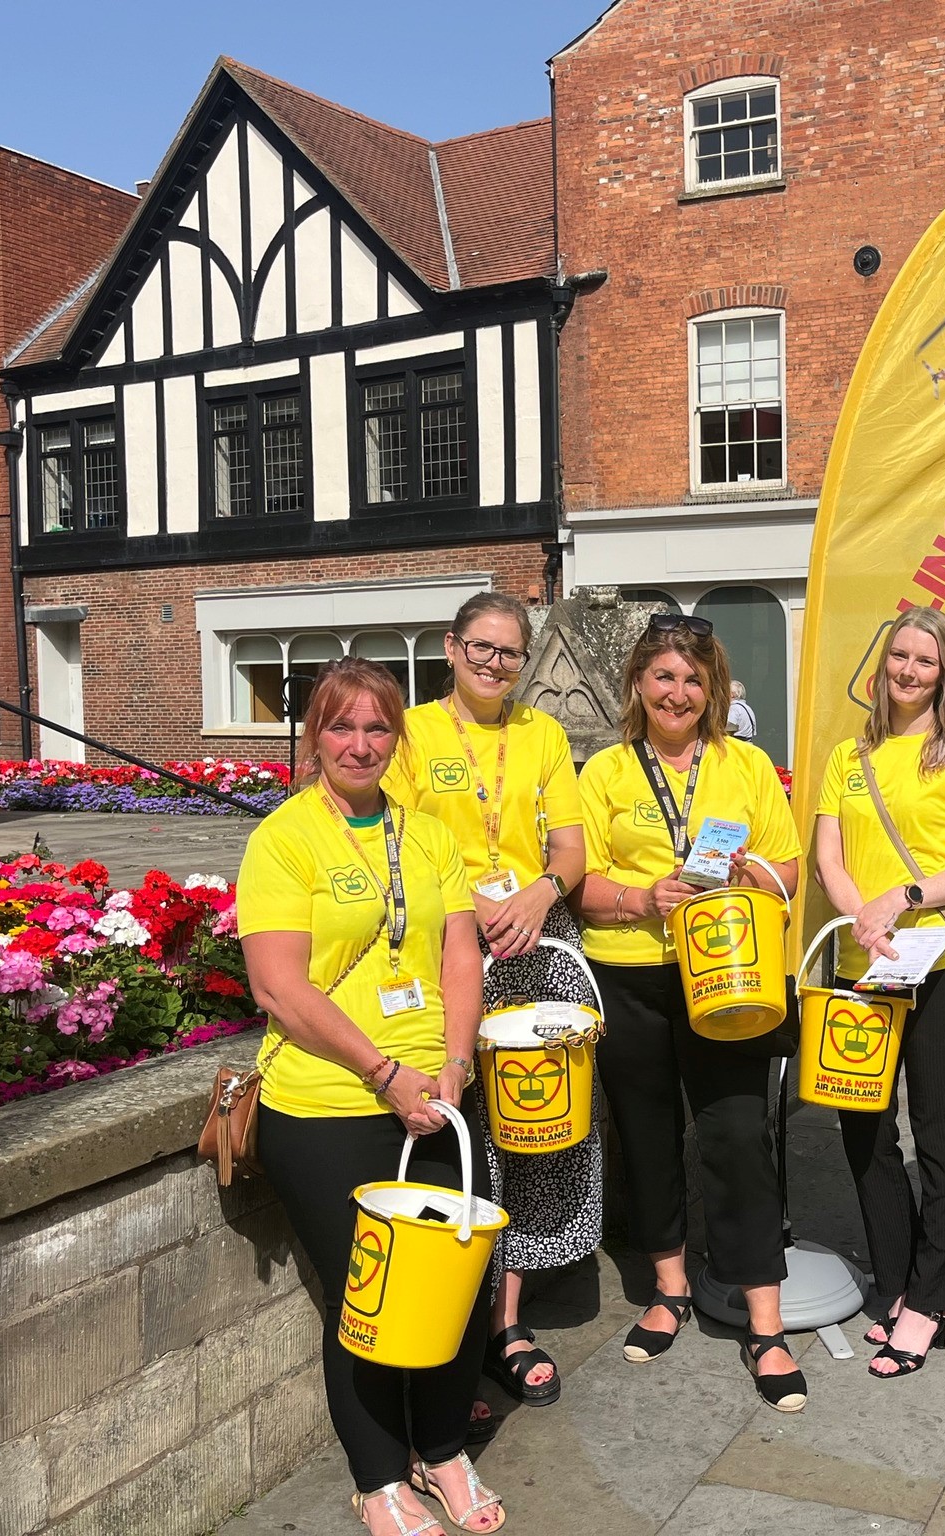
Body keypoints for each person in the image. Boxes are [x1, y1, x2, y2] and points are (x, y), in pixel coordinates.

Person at [237, 658, 506, 1536]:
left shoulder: (425, 835)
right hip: (328, 1101)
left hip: (439, 1091)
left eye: (378, 727)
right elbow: (279, 988)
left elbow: (458, 953)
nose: (360, 744)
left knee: (459, 1282)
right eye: (341, 726)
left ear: (399, 738)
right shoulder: (285, 837)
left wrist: (457, 1061)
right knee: (373, 1293)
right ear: (313, 737)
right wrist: (384, 1075)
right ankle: (378, 1473)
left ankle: (443, 1450)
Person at [574, 614, 809, 1411]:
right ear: (639, 684)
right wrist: (642, 895)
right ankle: (668, 1288)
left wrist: (750, 872)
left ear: (712, 690)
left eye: (693, 679)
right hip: (631, 974)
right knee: (644, 1134)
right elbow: (580, 882)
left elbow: (790, 868)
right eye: (664, 677)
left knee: (740, 1133)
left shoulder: (745, 766)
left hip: (728, 975)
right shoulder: (603, 771)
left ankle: (765, 1321)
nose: (678, 692)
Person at [383, 592, 593, 1414]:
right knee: (465, 1135)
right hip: (454, 951)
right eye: (481, 649)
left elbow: (570, 848)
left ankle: (507, 1323)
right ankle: (456, 1327)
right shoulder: (412, 732)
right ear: (451, 647)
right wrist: (471, 904)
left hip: (535, 945)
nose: (494, 665)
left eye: (510, 653)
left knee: (535, 1130)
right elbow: (395, 840)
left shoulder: (541, 735)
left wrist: (541, 893)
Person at [812, 606, 945, 1379]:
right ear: (881, 664)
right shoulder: (848, 754)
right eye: (899, 656)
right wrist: (862, 912)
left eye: (925, 661)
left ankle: (931, 1299)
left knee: (939, 1137)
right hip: (864, 964)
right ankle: (895, 1281)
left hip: (939, 965)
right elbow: (828, 852)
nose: (909, 671)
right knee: (862, 1131)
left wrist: (903, 896)